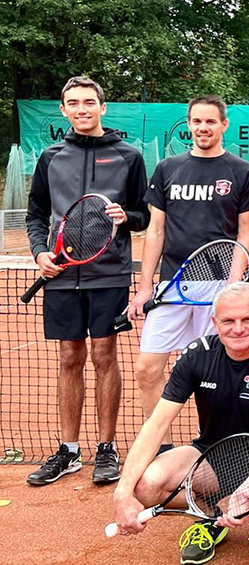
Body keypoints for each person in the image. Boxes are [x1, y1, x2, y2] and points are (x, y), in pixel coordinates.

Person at [111, 283, 249, 565]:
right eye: (228, 320)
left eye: (247, 319)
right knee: (146, 486)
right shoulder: (196, 355)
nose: (237, 328)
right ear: (215, 322)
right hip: (210, 456)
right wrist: (122, 493)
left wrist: (247, 488)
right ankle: (207, 515)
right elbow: (156, 424)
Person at [24, 76, 149, 486]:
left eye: (89, 102)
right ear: (63, 110)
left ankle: (107, 448)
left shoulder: (128, 156)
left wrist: (125, 218)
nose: (82, 109)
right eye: (73, 103)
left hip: (108, 273)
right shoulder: (51, 156)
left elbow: (143, 215)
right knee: (68, 358)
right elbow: (36, 214)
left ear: (102, 107)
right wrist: (41, 252)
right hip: (61, 273)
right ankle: (69, 451)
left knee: (104, 357)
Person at [129, 95, 249, 447]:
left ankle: (216, 444)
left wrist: (233, 285)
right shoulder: (168, 168)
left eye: (211, 122)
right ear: (189, 124)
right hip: (173, 284)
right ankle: (162, 448)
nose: (204, 128)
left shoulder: (242, 172)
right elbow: (155, 230)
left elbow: (244, 231)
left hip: (219, 286)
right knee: (146, 368)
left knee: (218, 372)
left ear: (223, 125)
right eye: (197, 121)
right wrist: (145, 287)